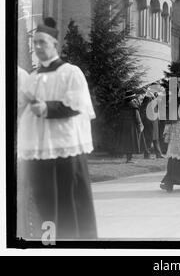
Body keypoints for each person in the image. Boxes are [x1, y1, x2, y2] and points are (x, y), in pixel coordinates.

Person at [17, 17, 97, 240]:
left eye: (43, 42)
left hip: (65, 148)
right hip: (38, 150)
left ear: (55, 44)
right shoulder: (31, 78)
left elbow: (77, 105)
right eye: (35, 43)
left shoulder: (71, 73)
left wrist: (47, 108)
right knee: (44, 203)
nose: (39, 47)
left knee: (68, 201)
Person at [115, 91, 144, 163]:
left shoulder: (123, 105)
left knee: (126, 142)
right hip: (131, 125)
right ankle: (129, 159)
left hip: (124, 125)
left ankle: (128, 158)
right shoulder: (133, 106)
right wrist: (140, 125)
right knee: (131, 142)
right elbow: (137, 117)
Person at [140, 89, 164, 159]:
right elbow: (143, 109)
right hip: (150, 121)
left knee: (155, 137)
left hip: (155, 121)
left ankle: (158, 154)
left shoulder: (154, 97)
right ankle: (147, 155)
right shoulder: (147, 97)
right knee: (149, 138)